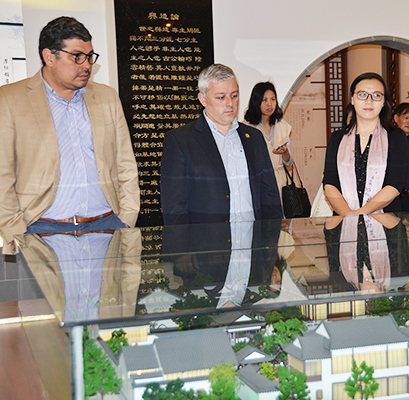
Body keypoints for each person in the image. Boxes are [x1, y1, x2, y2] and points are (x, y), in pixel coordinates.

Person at [0, 16, 140, 254]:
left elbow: (125, 163)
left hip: (108, 226)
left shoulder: (107, 97)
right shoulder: (10, 99)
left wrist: (126, 219)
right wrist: (16, 229)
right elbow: (3, 174)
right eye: (77, 56)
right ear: (49, 57)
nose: (86, 65)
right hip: (40, 230)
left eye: (90, 56)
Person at [160, 64, 283, 224]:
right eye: (221, 97)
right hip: (206, 238)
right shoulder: (180, 141)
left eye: (234, 95)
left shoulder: (253, 137)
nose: (230, 103)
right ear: (203, 99)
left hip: (253, 238)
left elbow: (270, 197)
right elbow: (174, 209)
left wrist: (271, 237)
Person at [323, 72, 408, 216]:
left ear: (383, 101)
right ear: (352, 99)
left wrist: (358, 214)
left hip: (385, 221)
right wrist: (348, 216)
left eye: (376, 95)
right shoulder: (337, 138)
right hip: (344, 220)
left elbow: (394, 184)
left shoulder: (396, 137)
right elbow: (330, 183)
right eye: (362, 94)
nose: (369, 101)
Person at [243, 82, 294, 197]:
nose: (269, 104)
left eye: (273, 99)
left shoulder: (282, 126)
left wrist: (285, 153)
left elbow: (289, 163)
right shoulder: (246, 128)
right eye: (264, 100)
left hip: (281, 185)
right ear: (256, 102)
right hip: (259, 185)